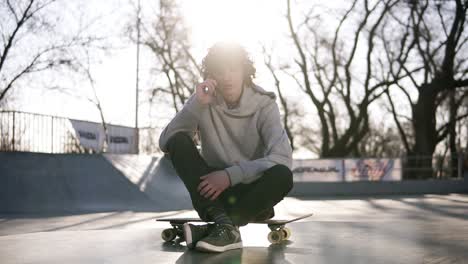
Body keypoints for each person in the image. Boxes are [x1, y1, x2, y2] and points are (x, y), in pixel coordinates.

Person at [158, 42, 293, 253]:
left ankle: (222, 226)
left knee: (283, 175)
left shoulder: (265, 105)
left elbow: (282, 157)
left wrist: (230, 175)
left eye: (233, 69)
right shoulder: (203, 101)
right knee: (179, 141)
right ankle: (226, 225)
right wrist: (197, 104)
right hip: (212, 194)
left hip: (251, 191)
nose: (227, 77)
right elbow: (166, 142)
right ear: (212, 76)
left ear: (244, 72)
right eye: (220, 71)